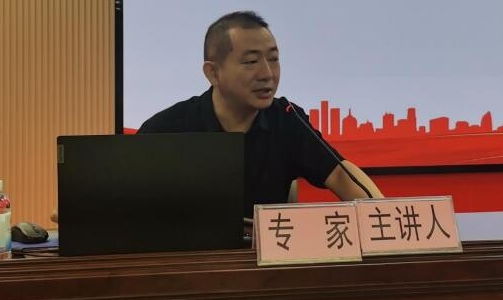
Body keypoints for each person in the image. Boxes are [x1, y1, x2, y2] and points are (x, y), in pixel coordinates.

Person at [138, 11, 382, 211]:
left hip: (266, 255)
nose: (267, 74)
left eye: (273, 59)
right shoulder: (166, 129)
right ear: (213, 73)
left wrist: (383, 215)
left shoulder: (287, 119)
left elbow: (339, 174)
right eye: (251, 62)